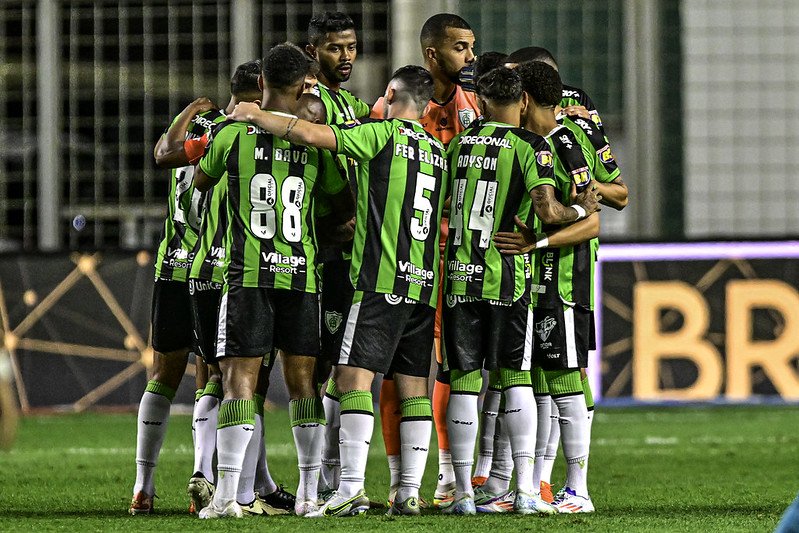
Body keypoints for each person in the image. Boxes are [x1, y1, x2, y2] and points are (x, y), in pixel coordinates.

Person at [228, 64, 448, 518]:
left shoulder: (381, 134)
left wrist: (251, 114)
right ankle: (407, 491)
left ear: (390, 94)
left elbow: (309, 136)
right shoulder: (437, 153)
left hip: (378, 281)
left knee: (351, 379)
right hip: (424, 285)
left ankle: (349, 486)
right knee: (413, 387)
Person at [193, 43, 353, 519]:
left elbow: (201, 182)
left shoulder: (231, 135)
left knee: (239, 382)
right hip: (301, 274)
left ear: (260, 81)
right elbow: (342, 205)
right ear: (306, 84)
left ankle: (226, 498)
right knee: (304, 384)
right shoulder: (313, 138)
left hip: (249, 274)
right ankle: (308, 496)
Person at [442, 66, 599, 515]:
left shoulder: (460, 144)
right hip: (509, 278)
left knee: (465, 384)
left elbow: (449, 202)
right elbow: (548, 210)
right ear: (522, 101)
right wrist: (578, 207)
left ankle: (465, 494)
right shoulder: (531, 147)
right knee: (516, 382)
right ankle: (529, 490)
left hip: (459, 277)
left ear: (484, 99)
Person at [155, 60, 296, 516]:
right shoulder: (269, 133)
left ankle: (211, 475)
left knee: (208, 375)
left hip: (194, 267)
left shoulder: (210, 133)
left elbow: (166, 154)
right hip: (244, 270)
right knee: (243, 380)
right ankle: (243, 491)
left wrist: (192, 109)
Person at [372, 13, 481, 507]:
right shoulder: (391, 108)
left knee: (451, 365)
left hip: (459, 256)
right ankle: (398, 481)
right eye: (462, 47)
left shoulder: (476, 106)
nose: (471, 57)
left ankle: (450, 476)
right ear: (433, 55)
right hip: (405, 254)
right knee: (399, 368)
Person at [501, 60, 604, 513]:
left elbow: (593, 219)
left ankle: (578, 489)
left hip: (563, 278)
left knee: (564, 376)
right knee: (542, 380)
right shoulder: (533, 143)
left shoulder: (563, 142)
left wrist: (537, 242)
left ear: (524, 100)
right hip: (536, 276)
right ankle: (539, 484)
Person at [128, 89, 226, 516]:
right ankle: (202, 481)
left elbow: (162, 152)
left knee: (162, 377)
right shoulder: (235, 132)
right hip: (214, 267)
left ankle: (142, 487)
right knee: (214, 376)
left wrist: (191, 108)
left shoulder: (194, 131)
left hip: (172, 264)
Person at [303, 11, 371, 500]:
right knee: (326, 363)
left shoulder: (352, 103)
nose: (345, 56)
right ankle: (319, 478)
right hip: (324, 250)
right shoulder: (311, 103)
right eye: (334, 47)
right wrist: (331, 222)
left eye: (350, 46)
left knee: (344, 361)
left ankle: (331, 475)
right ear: (313, 49)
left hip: (355, 252)